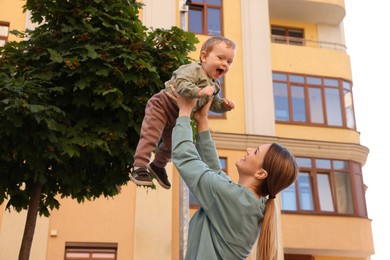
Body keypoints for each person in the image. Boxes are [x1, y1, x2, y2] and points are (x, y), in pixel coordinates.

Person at [170, 91, 299, 259]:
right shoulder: (247, 202)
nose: (249, 150)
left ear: (261, 173)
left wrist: (184, 113)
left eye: (256, 151)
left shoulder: (237, 200)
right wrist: (202, 120)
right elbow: (215, 172)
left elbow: (186, 159)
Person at [130, 36, 237, 189]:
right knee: (151, 135)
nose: (224, 64)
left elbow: (211, 103)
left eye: (229, 62)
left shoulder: (215, 85)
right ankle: (139, 166)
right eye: (221, 58)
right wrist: (199, 91)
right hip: (163, 104)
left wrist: (223, 106)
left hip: (178, 115)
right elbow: (180, 83)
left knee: (174, 145)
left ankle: (158, 166)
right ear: (204, 56)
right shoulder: (193, 69)